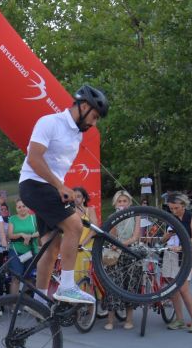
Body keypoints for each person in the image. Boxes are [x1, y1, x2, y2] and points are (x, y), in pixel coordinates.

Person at [18, 84, 107, 305]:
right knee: (75, 226)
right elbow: (34, 159)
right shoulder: (49, 122)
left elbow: (56, 168)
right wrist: (60, 187)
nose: (93, 123)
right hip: (34, 184)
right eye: (94, 117)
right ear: (83, 106)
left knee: (51, 245)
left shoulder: (76, 136)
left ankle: (39, 301)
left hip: (47, 187)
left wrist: (62, 191)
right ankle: (67, 286)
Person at [164, 193, 192, 333]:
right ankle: (179, 319)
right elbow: (163, 239)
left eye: (176, 208)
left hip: (184, 255)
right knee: (172, 290)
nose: (174, 211)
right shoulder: (170, 218)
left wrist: (182, 246)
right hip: (170, 254)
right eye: (171, 208)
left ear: (183, 205)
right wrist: (166, 236)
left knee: (184, 290)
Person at [103, 191, 139, 330]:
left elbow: (135, 236)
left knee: (130, 284)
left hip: (131, 252)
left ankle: (129, 319)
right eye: (119, 201)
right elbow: (112, 235)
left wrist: (122, 244)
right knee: (112, 283)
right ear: (115, 204)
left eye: (125, 201)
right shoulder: (113, 216)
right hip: (115, 253)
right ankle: (110, 320)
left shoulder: (136, 216)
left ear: (129, 202)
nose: (122, 203)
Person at [6, 199, 39, 294]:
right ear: (16, 209)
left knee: (29, 278)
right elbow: (10, 235)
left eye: (24, 206)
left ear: (28, 207)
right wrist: (21, 234)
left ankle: (25, 301)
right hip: (16, 251)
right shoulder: (12, 219)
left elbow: (40, 231)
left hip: (30, 251)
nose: (22, 209)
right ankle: (13, 305)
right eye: (19, 207)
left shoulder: (34, 218)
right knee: (16, 278)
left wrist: (30, 236)